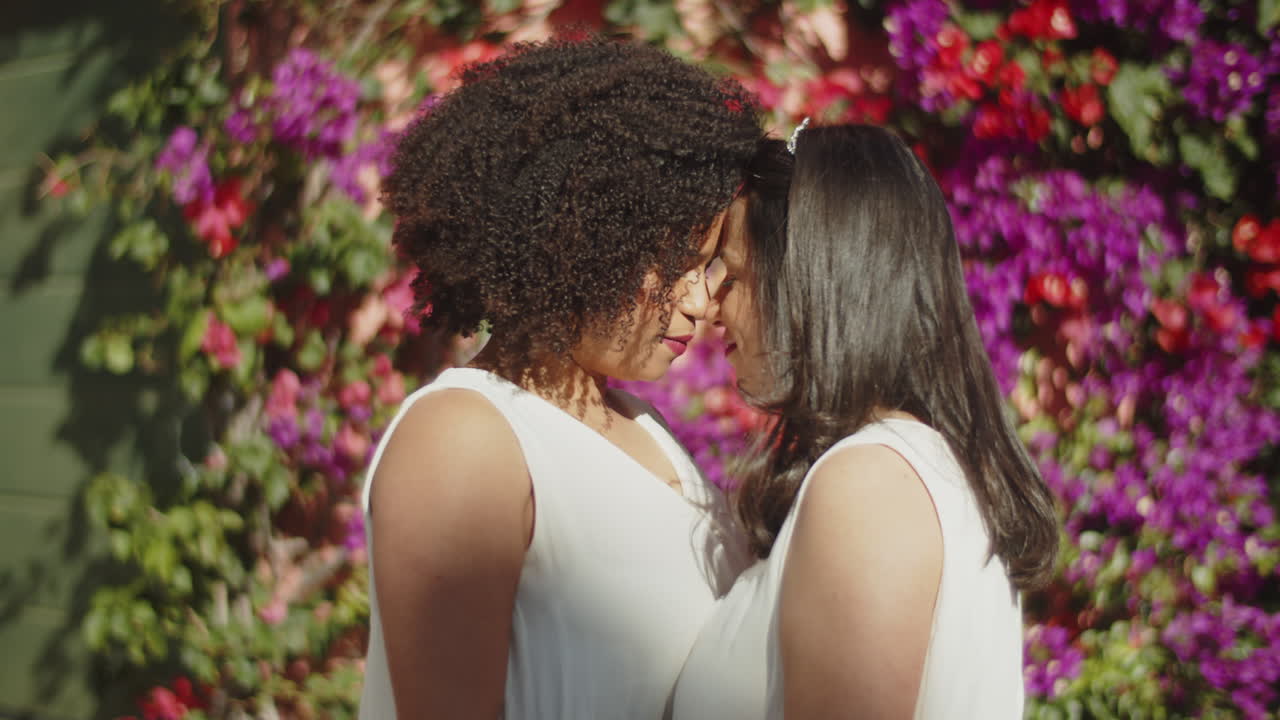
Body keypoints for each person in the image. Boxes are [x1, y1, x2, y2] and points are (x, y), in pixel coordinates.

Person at [358, 38, 761, 719]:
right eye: (673, 263)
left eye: (709, 265)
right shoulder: (465, 439)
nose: (698, 300)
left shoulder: (643, 427)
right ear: (575, 238)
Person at [672, 125, 1060, 719]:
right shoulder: (904, 467)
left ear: (809, 278)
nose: (713, 305)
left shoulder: (871, 483)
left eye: (736, 274)